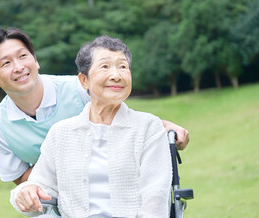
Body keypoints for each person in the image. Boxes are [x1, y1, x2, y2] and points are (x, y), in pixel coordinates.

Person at [0, 27, 189, 185]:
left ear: (36, 60)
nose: (19, 67)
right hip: (54, 203)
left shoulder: (79, 88)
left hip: (108, 190)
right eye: (6, 63)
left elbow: (124, 119)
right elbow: (21, 178)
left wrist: (164, 126)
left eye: (23, 56)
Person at [10, 35, 172, 217]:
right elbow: (40, 185)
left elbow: (155, 197)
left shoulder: (148, 127)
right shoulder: (61, 133)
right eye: (105, 66)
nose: (116, 75)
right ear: (83, 80)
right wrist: (24, 193)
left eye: (123, 67)